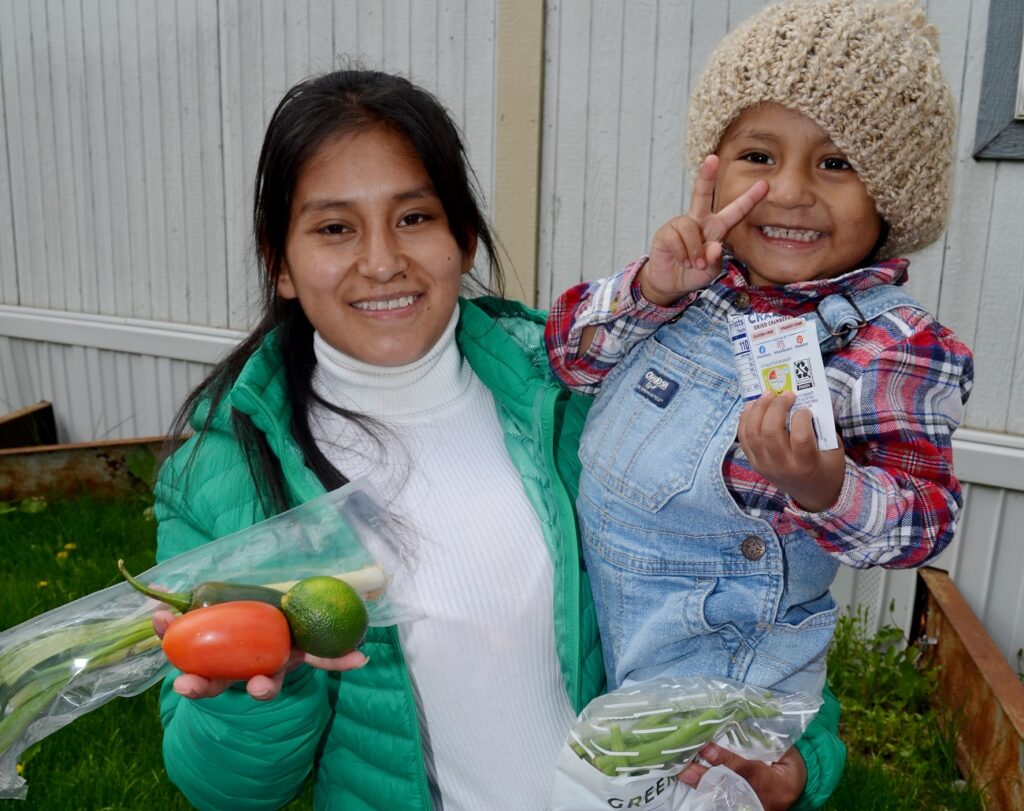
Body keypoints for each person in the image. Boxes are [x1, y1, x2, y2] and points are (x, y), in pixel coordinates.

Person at [150, 69, 844, 811]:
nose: (382, 261)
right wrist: (255, 691)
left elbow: (759, 582)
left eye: (413, 217)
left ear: (465, 237)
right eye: (333, 228)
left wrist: (801, 758)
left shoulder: (580, 394)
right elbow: (222, 788)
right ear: (279, 264)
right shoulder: (219, 479)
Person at [546, 0, 973, 757]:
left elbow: (925, 519)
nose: (787, 190)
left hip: (722, 700)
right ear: (712, 167)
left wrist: (826, 486)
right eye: (758, 156)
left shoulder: (891, 344)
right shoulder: (693, 286)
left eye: (836, 162)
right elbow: (570, 357)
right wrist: (651, 288)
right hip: (605, 634)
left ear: (892, 198)